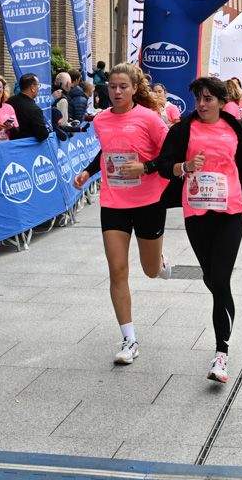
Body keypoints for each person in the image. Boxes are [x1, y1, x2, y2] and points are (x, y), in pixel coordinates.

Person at [156, 76, 242, 384]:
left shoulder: (233, 125)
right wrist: (183, 167)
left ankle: (221, 353)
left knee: (219, 278)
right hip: (198, 211)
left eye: (208, 99)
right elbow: (165, 163)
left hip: (230, 210)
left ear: (220, 100)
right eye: (198, 100)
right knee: (211, 276)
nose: (202, 105)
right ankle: (198, 284)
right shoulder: (184, 128)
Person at [72, 64, 173, 365]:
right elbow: (106, 151)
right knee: (117, 270)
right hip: (114, 201)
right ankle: (129, 339)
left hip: (148, 200)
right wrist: (88, 172)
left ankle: (160, 263)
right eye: (112, 87)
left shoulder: (149, 118)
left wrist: (146, 167)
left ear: (134, 88)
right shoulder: (101, 120)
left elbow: (169, 154)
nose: (116, 92)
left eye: (123, 87)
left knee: (150, 270)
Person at [9, 74, 51, 142]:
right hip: (27, 149)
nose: (38, 88)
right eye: (38, 85)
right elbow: (42, 135)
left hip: (9, 145)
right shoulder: (35, 110)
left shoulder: (9, 101)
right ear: (32, 88)